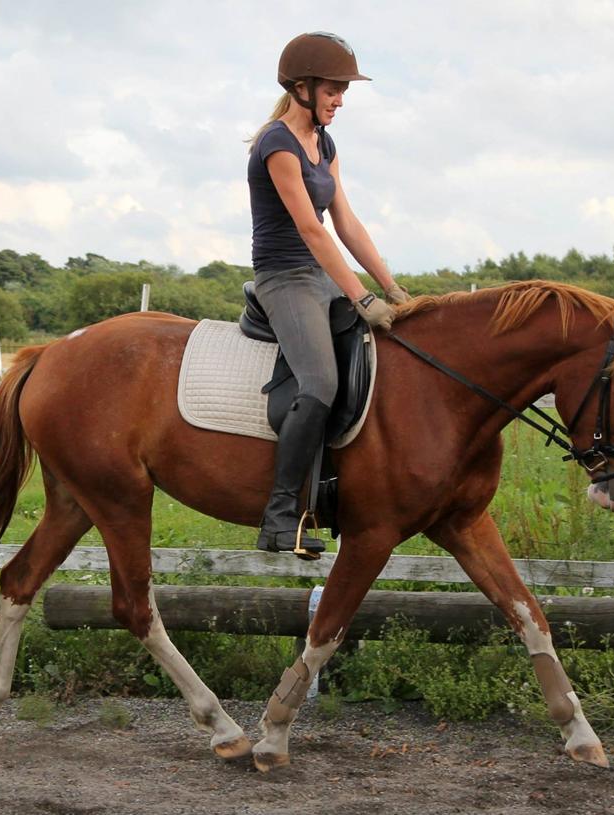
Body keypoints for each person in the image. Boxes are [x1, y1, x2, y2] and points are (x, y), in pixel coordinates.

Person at [247, 31, 410, 554]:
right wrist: (361, 298)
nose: (341, 100)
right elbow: (311, 230)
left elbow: (346, 223)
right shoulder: (277, 144)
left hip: (321, 276)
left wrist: (391, 287)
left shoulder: (325, 143)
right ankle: (279, 516)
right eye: (334, 90)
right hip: (284, 277)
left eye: (344, 91)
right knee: (319, 381)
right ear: (302, 88)